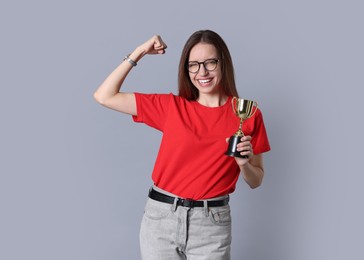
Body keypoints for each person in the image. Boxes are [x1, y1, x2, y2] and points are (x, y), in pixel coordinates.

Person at [94, 29, 270, 260]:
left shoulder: (248, 114)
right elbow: (104, 95)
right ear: (186, 70)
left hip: (212, 223)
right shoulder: (172, 107)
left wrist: (243, 164)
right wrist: (139, 52)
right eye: (193, 65)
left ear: (224, 63)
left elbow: (256, 180)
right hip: (161, 218)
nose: (202, 72)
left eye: (210, 63)